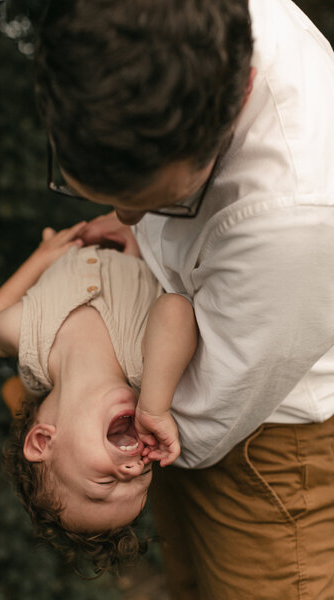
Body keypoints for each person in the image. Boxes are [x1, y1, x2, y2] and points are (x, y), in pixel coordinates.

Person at [35, 0, 334, 597]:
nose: (127, 218)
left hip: (264, 443)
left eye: (165, 202)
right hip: (168, 406)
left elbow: (205, 416)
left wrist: (71, 393)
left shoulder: (298, 215)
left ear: (240, 93)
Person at [0, 223, 197, 570]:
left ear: (43, 441)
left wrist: (41, 258)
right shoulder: (145, 365)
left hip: (79, 234)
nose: (135, 467)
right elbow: (176, 309)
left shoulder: (26, 338)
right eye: (142, 478)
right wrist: (155, 407)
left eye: (106, 481)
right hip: (137, 231)